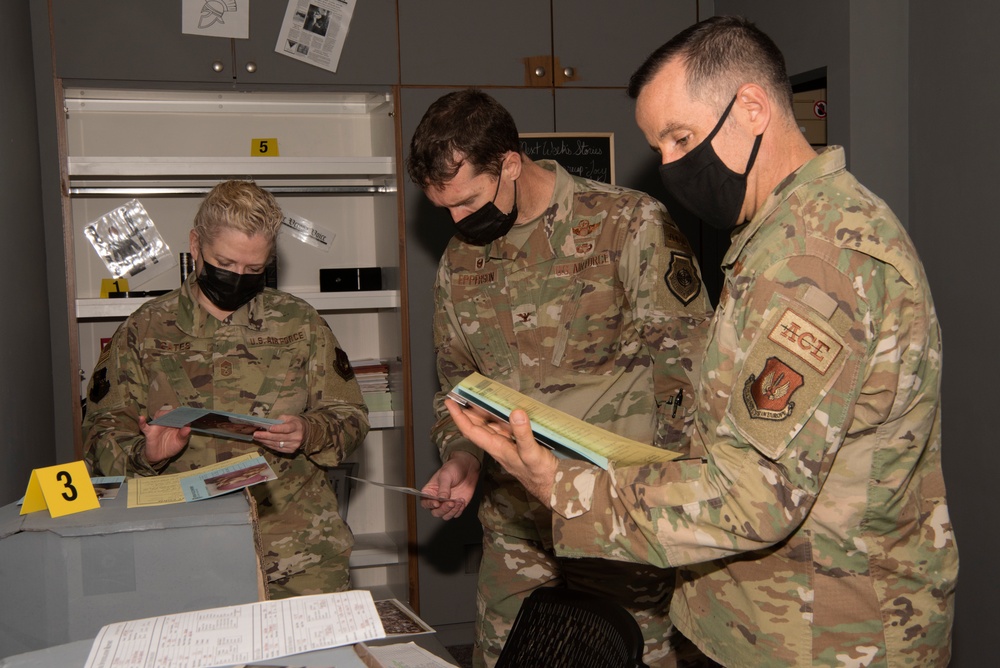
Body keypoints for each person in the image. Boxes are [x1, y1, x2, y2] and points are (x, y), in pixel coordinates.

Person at [445, 16, 958, 668]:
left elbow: (755, 495)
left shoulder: (816, 256)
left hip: (826, 641)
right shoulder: (778, 236)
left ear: (750, 107)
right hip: (758, 624)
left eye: (680, 137)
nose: (669, 166)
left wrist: (562, 488)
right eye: (659, 147)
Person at [407, 89, 713, 667]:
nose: (456, 222)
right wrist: (463, 458)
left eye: (468, 201)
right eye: (442, 207)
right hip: (518, 523)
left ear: (511, 164)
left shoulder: (627, 222)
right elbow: (455, 385)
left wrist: (663, 504)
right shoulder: (460, 261)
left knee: (635, 657)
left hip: (619, 511)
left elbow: (691, 374)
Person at [84, 180, 370, 599]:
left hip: (300, 555)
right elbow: (98, 436)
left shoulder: (299, 323)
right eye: (226, 263)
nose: (238, 278)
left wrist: (309, 432)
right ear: (196, 246)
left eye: (254, 270)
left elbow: (351, 418)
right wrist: (145, 455)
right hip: (184, 550)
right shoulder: (143, 330)